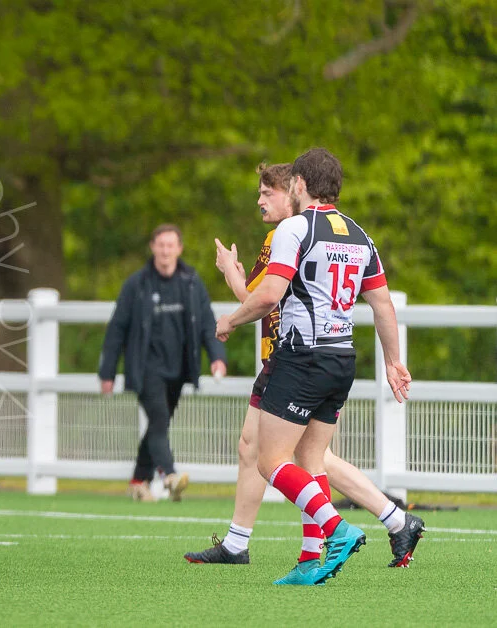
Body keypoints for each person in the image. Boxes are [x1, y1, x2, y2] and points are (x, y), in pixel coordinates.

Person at [186, 163, 424, 567]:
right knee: (305, 458)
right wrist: (393, 361)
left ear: (297, 185)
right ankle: (307, 557)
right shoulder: (360, 235)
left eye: (267, 192)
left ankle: (350, 527)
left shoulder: (295, 229)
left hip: (300, 357)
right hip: (339, 357)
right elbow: (381, 303)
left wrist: (227, 317)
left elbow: (266, 297)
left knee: (272, 459)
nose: (261, 200)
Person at [97, 224, 227, 502]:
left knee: (159, 424)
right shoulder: (137, 284)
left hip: (179, 370)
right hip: (145, 369)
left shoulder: (191, 282)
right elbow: (117, 328)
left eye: (171, 245)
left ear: (179, 249)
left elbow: (207, 322)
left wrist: (217, 357)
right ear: (153, 248)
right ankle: (169, 475)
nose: (166, 250)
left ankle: (137, 481)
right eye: (161, 245)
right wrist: (107, 371)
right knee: (158, 419)